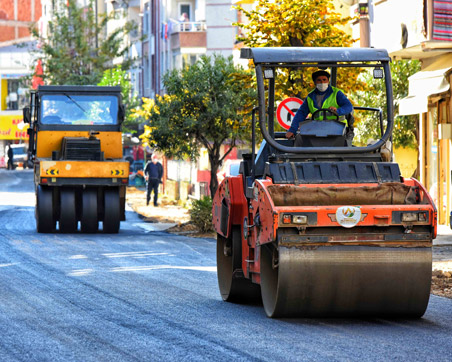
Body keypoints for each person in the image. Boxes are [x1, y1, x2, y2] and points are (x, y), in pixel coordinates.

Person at [285, 70, 353, 146]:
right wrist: (292, 130)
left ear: (328, 81)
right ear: (315, 82)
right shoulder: (310, 97)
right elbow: (301, 114)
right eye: (319, 80)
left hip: (337, 130)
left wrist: (338, 111)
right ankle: (297, 157)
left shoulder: (336, 93)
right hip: (317, 130)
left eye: (324, 80)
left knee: (344, 141)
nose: (322, 82)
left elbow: (348, 107)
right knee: (299, 138)